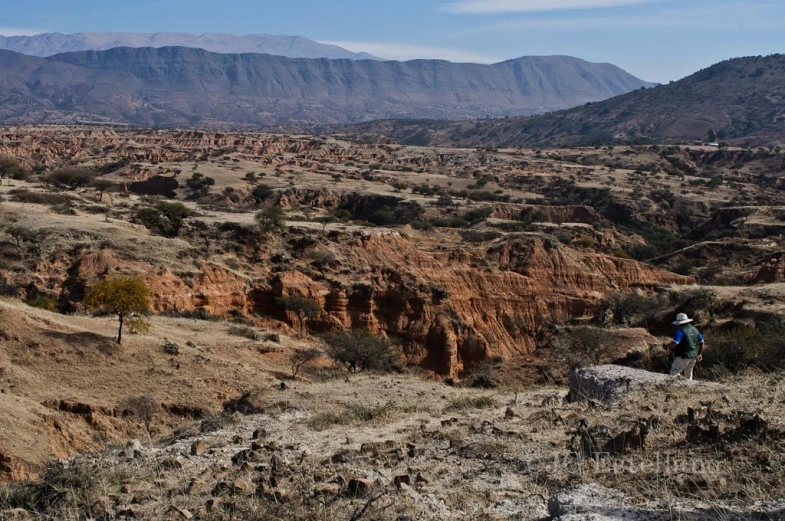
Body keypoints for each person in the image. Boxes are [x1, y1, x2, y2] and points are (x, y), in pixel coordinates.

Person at [664, 313, 705, 380]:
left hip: (683, 356)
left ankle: (677, 387)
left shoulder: (680, 330)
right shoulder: (694, 329)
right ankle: (689, 388)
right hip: (693, 356)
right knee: (688, 375)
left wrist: (666, 346)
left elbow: (675, 342)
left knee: (674, 372)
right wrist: (700, 354)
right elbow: (702, 342)